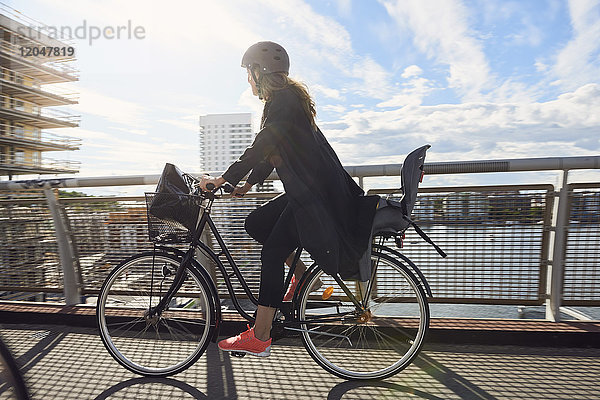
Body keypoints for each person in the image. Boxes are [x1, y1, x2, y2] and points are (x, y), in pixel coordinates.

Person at [199, 41, 379, 357]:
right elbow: (273, 154)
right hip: (310, 192)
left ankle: (261, 335)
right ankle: (299, 278)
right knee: (256, 223)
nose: (248, 80)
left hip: (313, 197)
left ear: (259, 71)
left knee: (271, 254)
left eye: (249, 73)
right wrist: (248, 184)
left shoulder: (282, 102)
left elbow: (262, 144)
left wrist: (224, 179)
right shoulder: (288, 101)